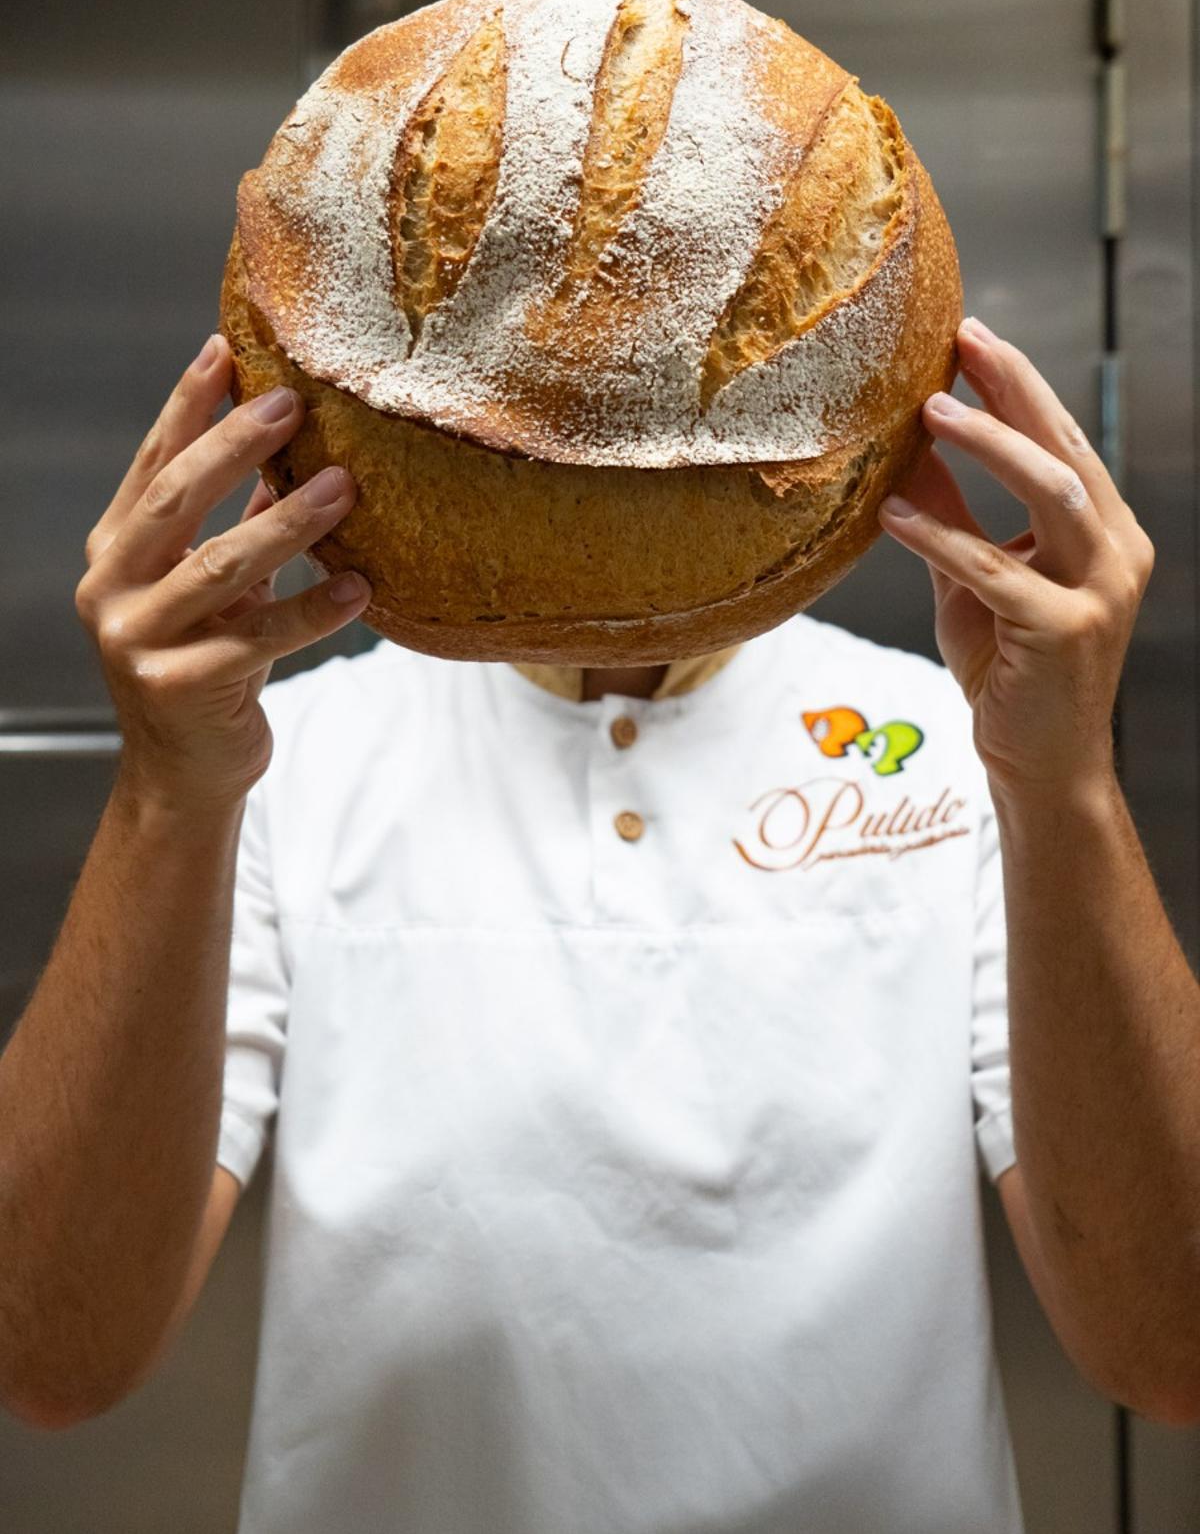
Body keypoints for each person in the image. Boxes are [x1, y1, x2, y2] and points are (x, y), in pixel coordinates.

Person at [2, 315, 1199, 1534]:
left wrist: (1065, 786)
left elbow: (1172, 1348)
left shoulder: (960, 745)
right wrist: (166, 792)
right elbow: (50, 1353)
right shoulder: (282, 761)